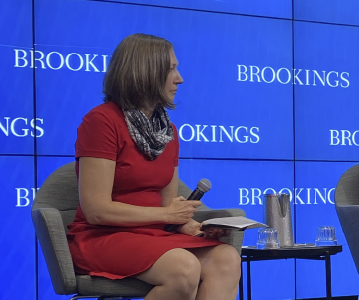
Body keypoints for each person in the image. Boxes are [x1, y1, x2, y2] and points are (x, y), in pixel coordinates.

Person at [67, 33, 240, 300]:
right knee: (184, 268)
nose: (179, 78)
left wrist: (190, 225)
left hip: (153, 235)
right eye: (171, 69)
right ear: (146, 72)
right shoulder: (101, 121)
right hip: (103, 236)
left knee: (226, 258)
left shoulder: (167, 131)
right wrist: (168, 216)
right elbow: (97, 211)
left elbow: (167, 203)